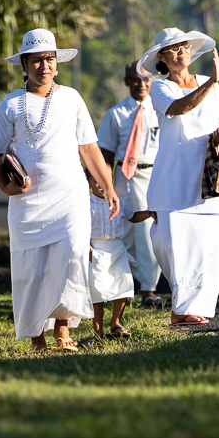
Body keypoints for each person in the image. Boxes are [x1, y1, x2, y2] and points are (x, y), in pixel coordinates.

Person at [0, 28, 119, 352]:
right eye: (36, 60)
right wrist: (6, 187)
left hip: (70, 195)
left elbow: (89, 148)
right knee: (33, 270)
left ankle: (63, 329)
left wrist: (109, 187)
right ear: (25, 64)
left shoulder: (71, 97)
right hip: (27, 202)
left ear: (57, 63)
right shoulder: (11, 104)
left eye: (49, 58)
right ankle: (36, 338)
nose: (44, 65)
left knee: (72, 256)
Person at [137, 27, 219, 326]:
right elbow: (179, 108)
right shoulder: (159, 87)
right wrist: (213, 83)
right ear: (162, 59)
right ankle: (181, 307)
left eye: (184, 48)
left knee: (212, 242)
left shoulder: (208, 82)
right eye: (174, 50)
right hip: (173, 176)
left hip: (208, 173)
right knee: (172, 243)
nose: (181, 53)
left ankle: (192, 309)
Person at [97, 60, 164, 307]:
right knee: (122, 234)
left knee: (148, 232)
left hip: (154, 177)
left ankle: (149, 289)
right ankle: (118, 289)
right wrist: (105, 186)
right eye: (135, 79)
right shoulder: (116, 114)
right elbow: (104, 154)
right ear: (127, 81)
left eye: (146, 79)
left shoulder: (161, 111)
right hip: (125, 178)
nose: (141, 84)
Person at [85, 170, 155, 345]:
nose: (101, 185)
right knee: (97, 291)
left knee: (123, 286)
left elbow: (132, 217)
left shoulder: (120, 202)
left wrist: (147, 213)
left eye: (106, 180)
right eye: (97, 180)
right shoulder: (86, 204)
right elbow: (80, 227)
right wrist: (87, 247)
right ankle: (97, 331)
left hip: (117, 249)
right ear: (89, 182)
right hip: (96, 250)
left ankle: (116, 322)